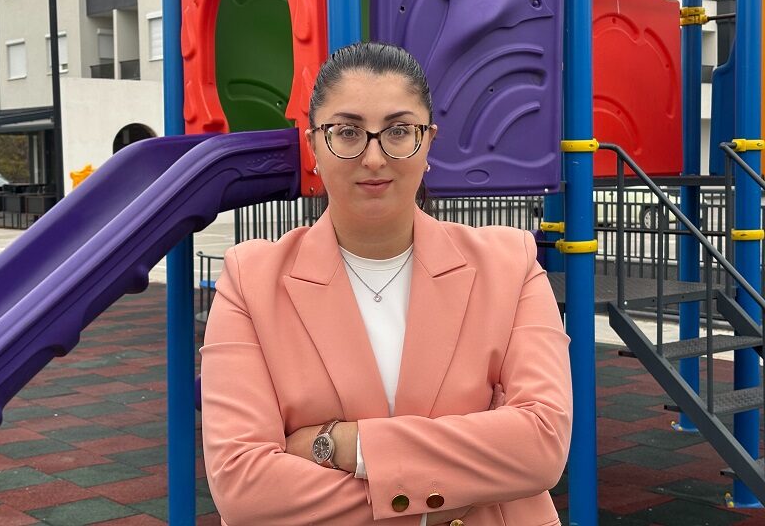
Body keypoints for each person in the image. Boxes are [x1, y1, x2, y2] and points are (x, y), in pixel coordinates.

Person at [201, 42, 572, 525]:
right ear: (314, 145)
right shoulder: (251, 281)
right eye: (347, 132)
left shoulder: (509, 264)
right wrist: (445, 491)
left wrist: (342, 444)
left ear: (429, 141)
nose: (374, 157)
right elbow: (243, 487)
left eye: (398, 131)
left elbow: (541, 445)